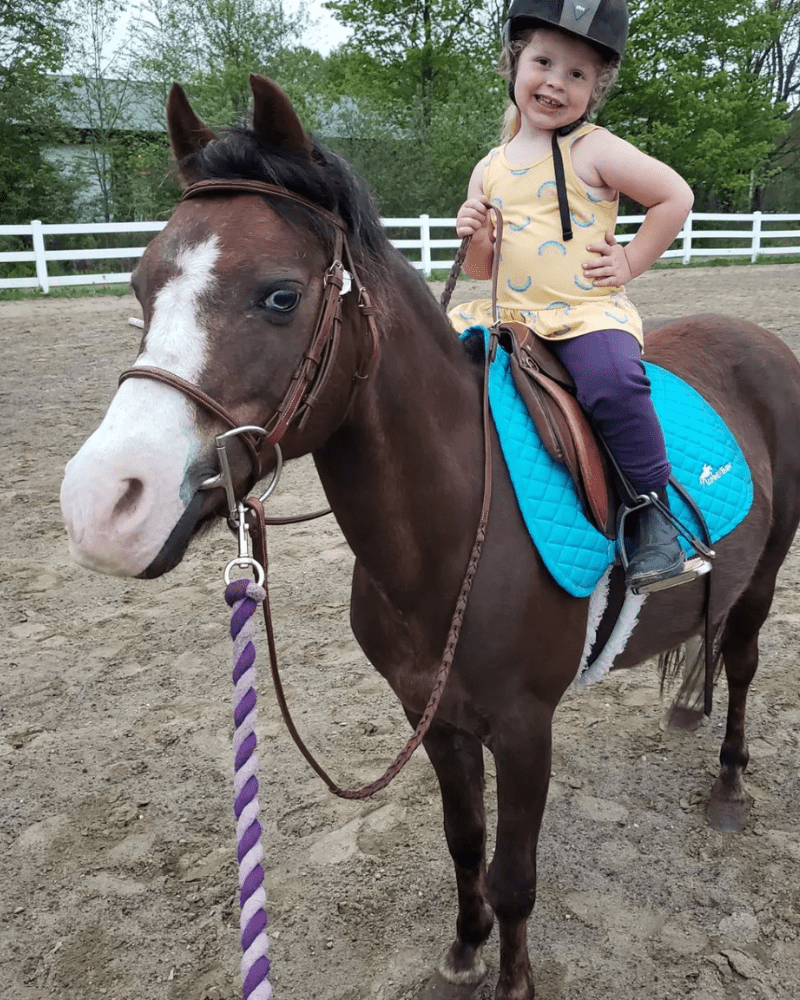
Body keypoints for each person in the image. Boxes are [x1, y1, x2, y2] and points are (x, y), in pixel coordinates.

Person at [449, 0, 695, 593]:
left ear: (595, 89)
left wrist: (631, 260)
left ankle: (651, 513)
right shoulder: (489, 168)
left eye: (577, 74)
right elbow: (485, 267)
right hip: (510, 316)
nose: (556, 82)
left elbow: (674, 196)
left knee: (613, 383)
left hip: (583, 312)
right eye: (543, 62)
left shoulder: (594, 149)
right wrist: (476, 235)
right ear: (514, 63)